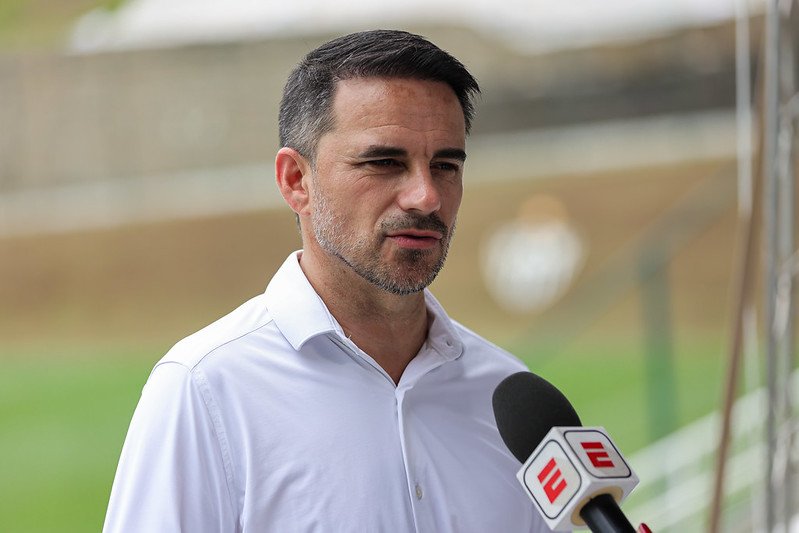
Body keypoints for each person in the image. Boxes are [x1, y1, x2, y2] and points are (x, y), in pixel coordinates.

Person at [103, 29, 549, 532]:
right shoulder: (204, 389)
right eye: (384, 162)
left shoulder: (508, 396)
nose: (426, 196)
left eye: (445, 165)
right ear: (297, 181)